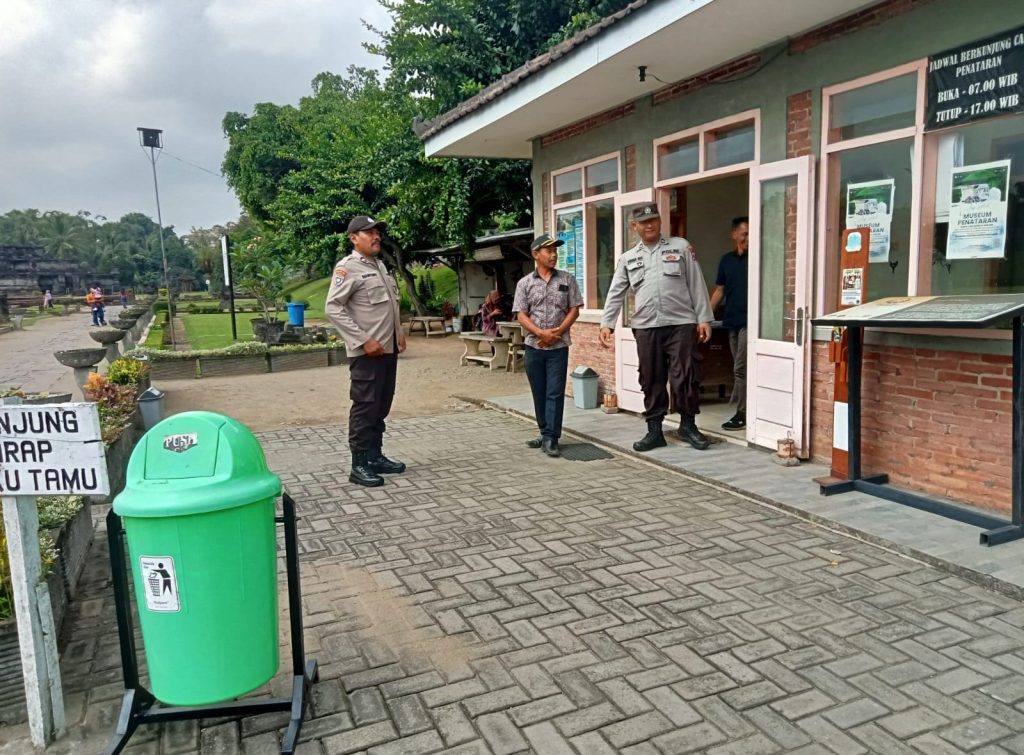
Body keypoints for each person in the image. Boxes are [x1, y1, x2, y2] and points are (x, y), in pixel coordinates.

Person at [599, 202, 713, 451]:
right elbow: (616, 292)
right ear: (634, 226)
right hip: (646, 327)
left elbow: (696, 283)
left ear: (660, 222)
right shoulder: (628, 258)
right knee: (651, 378)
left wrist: (703, 318)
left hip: (681, 323)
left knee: (686, 376)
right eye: (643, 222)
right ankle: (654, 431)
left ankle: (688, 426)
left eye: (653, 220)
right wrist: (607, 323)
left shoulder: (680, 247)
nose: (649, 225)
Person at [326, 215, 407, 487]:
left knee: (381, 404)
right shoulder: (348, 268)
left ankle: (374, 456)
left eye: (377, 232)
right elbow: (333, 308)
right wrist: (363, 340)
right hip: (367, 354)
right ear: (353, 238)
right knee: (365, 406)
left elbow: (391, 306)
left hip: (387, 349)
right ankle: (358, 464)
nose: (376, 236)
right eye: (369, 232)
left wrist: (399, 333)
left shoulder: (380, 266)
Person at [513, 234, 583, 457]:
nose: (554, 255)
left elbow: (574, 309)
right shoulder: (525, 283)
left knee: (555, 392)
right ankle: (544, 433)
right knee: (539, 392)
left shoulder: (567, 279)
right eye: (549, 251)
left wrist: (557, 333)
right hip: (534, 346)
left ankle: (552, 438)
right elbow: (521, 315)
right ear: (536, 254)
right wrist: (540, 333)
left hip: (558, 348)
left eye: (555, 251)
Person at [709, 216, 749, 431]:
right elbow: (719, 291)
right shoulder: (726, 260)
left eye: (751, 234)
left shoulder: (757, 259)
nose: (748, 238)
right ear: (734, 234)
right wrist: (704, 317)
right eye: (744, 234)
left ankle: (742, 414)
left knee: (741, 369)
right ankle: (746, 409)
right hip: (732, 321)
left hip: (751, 322)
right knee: (738, 369)